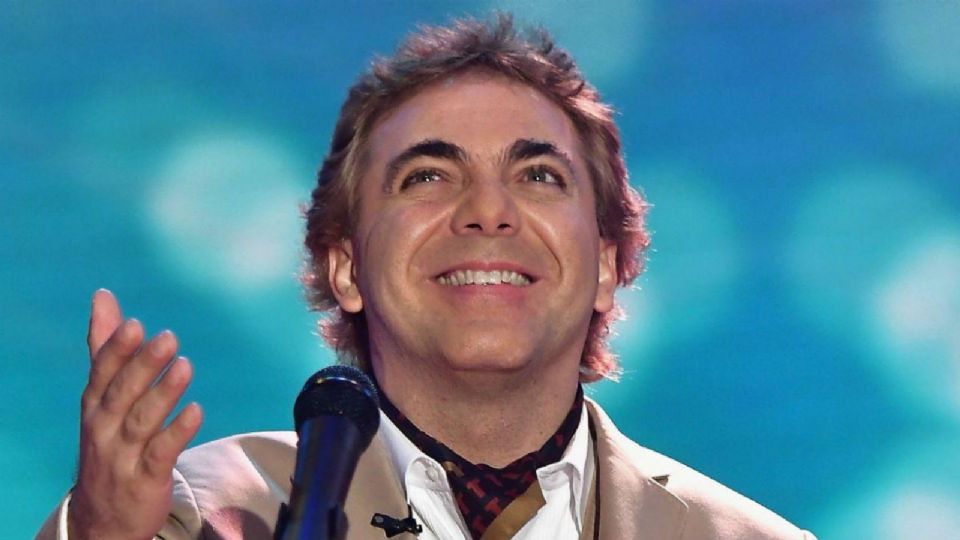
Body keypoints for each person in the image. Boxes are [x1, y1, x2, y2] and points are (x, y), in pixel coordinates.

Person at [38, 15, 815, 540]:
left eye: (538, 176)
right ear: (345, 267)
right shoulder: (208, 515)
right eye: (428, 177)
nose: (488, 212)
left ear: (608, 265)